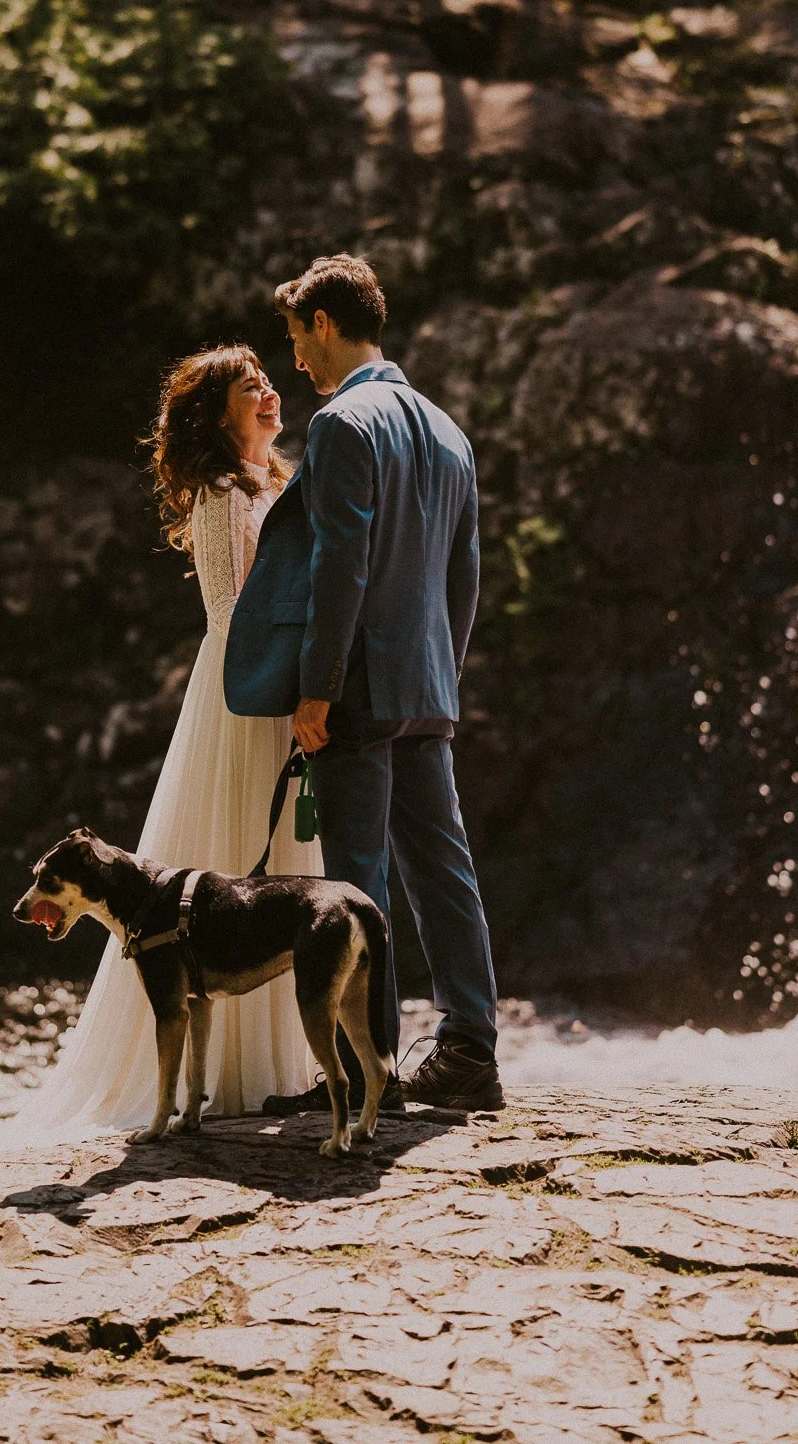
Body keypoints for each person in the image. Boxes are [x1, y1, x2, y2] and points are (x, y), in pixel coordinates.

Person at [0, 344, 318, 1144]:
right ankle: (224, 1079)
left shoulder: (273, 481)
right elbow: (228, 614)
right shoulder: (219, 495)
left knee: (285, 865)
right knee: (243, 847)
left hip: (277, 686)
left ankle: (281, 1069)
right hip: (243, 695)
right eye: (251, 387)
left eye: (268, 381)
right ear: (218, 415)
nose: (270, 392)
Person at [224, 254, 503, 1113]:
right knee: (442, 868)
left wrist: (316, 689)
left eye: (296, 340)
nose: (295, 363)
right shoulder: (446, 429)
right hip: (423, 686)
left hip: (357, 687)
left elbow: (336, 569)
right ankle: (469, 1052)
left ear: (325, 323)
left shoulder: (345, 424)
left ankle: (360, 1068)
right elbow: (465, 575)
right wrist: (441, 681)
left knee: (354, 884)